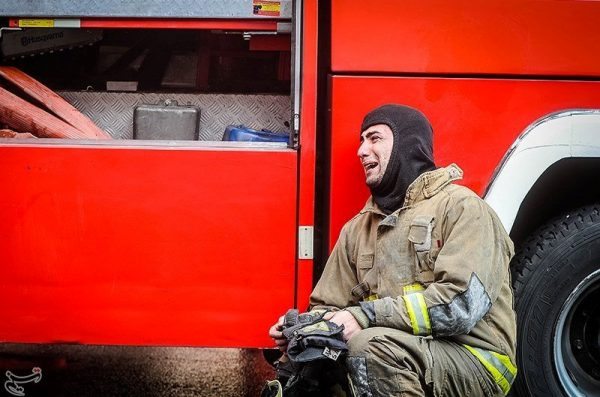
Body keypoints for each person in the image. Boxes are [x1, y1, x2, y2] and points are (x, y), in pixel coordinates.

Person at [269, 104, 517, 396]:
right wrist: (305, 329)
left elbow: (460, 305)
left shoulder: (463, 208)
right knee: (310, 361)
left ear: (407, 144)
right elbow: (330, 305)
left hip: (475, 362)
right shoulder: (357, 229)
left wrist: (366, 316)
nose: (361, 151)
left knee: (368, 347)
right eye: (362, 141)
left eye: (374, 138)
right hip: (399, 354)